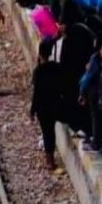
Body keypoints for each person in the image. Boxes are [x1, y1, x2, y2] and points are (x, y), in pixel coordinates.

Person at [30, 40, 65, 172]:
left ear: (40, 54)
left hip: (42, 108)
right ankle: (50, 159)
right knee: (51, 131)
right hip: (55, 104)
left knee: (47, 132)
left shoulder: (38, 71)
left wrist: (32, 110)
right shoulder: (57, 68)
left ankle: (49, 160)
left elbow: (36, 93)